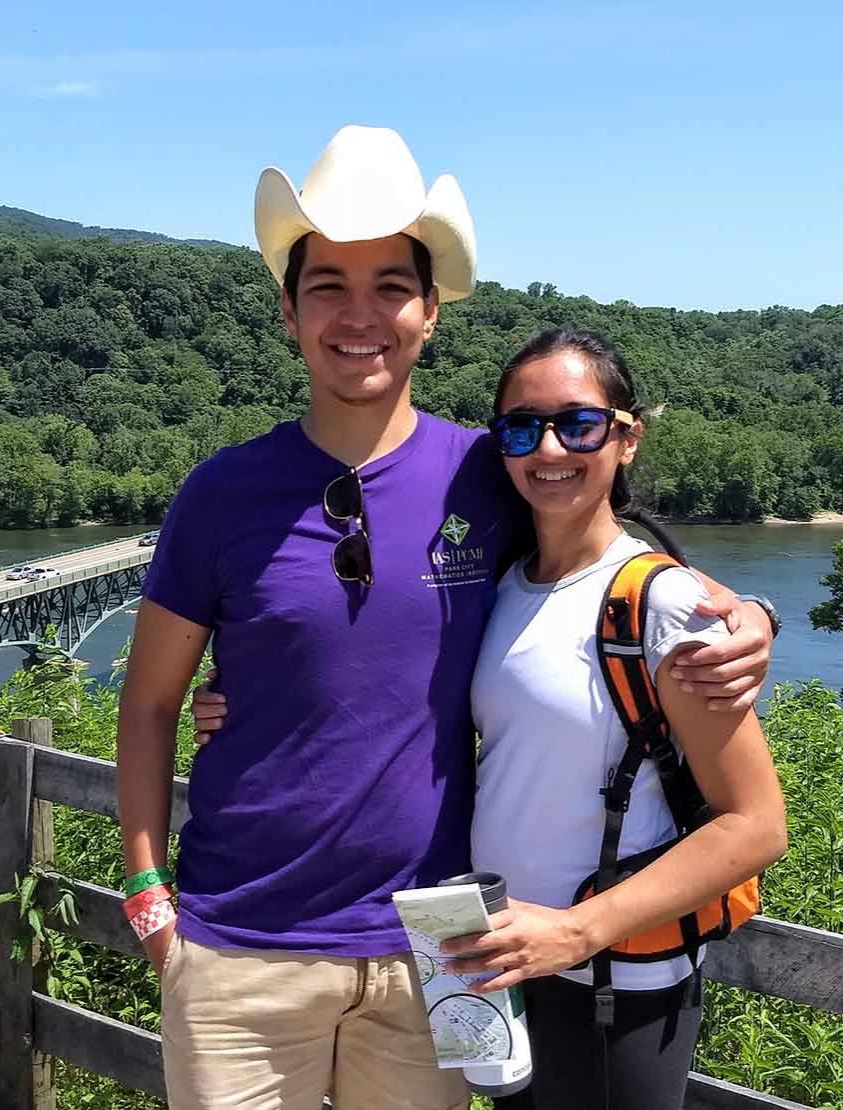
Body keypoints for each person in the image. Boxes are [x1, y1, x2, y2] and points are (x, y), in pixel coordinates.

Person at [119, 125, 777, 1110]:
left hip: (436, 949)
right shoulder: (220, 496)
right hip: (241, 946)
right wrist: (146, 894)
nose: (360, 315)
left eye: (391, 286)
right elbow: (149, 704)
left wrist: (747, 611)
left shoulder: (489, 469)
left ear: (430, 312)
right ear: (289, 312)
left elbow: (598, 544)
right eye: (327, 286)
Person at [437, 328, 788, 1109]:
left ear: (626, 439)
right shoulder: (501, 586)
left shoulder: (663, 604)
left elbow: (757, 825)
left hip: (614, 979)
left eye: (579, 424)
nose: (549, 447)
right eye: (522, 428)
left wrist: (578, 931)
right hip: (503, 959)